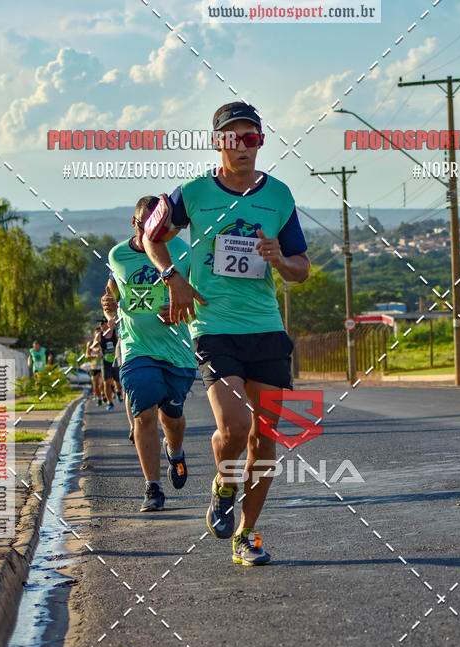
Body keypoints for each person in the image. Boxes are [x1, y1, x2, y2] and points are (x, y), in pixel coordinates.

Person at [143, 101, 310, 565]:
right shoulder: (191, 193)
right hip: (214, 325)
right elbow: (152, 235)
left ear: (260, 142)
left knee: (268, 435)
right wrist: (172, 276)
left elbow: (302, 268)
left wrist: (280, 261)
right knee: (235, 427)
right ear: (218, 142)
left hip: (266, 327)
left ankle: (247, 534)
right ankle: (223, 485)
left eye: (252, 138)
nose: (243, 147)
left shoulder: (278, 196)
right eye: (233, 138)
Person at [102, 195, 197, 512]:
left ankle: (176, 450)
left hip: (176, 350)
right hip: (136, 348)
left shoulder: (184, 253)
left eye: (161, 225)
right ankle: (152, 488)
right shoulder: (118, 255)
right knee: (143, 415)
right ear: (135, 223)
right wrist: (110, 303)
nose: (153, 232)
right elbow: (113, 287)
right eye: (147, 225)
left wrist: (185, 310)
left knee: (172, 416)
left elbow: (202, 297)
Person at [99, 318, 118, 409]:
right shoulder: (99, 335)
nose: (101, 325)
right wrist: (96, 351)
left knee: (118, 383)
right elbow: (93, 347)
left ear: (108, 324)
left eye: (103, 323)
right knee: (106, 382)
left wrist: (117, 351)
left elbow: (121, 343)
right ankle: (109, 402)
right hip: (105, 361)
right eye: (101, 324)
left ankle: (118, 391)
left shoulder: (115, 332)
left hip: (116, 359)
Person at [86, 327, 104, 405]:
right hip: (94, 366)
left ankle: (103, 394)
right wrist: (95, 356)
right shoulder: (90, 343)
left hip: (103, 365)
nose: (98, 334)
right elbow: (87, 355)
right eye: (97, 333)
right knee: (95, 384)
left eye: (100, 333)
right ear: (94, 334)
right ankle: (99, 398)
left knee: (102, 383)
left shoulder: (104, 342)